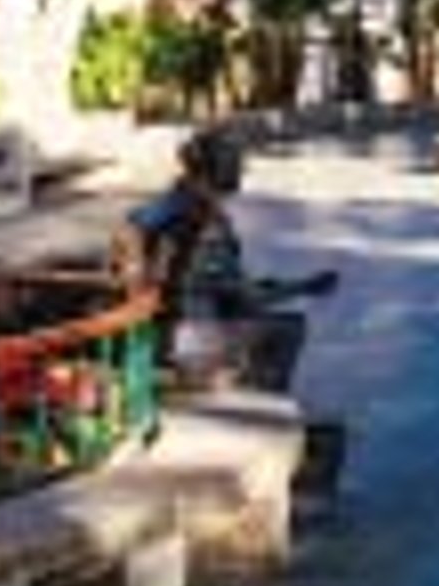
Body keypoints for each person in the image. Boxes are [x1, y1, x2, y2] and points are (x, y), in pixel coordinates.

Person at [113, 129, 333, 394]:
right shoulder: (197, 215)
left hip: (177, 330)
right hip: (187, 341)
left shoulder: (184, 202)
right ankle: (261, 403)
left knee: (264, 321)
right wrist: (303, 288)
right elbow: (242, 296)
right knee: (288, 330)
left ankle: (251, 393)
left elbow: (134, 226)